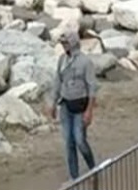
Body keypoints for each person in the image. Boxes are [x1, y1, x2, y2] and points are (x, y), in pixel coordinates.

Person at [48, 31, 97, 180]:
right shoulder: (62, 60)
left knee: (80, 140)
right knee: (69, 143)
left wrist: (89, 111)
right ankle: (74, 177)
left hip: (80, 107)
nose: (64, 46)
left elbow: (92, 87)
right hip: (65, 105)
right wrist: (52, 103)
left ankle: (93, 168)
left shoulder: (85, 62)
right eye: (62, 44)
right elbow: (58, 81)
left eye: (66, 43)